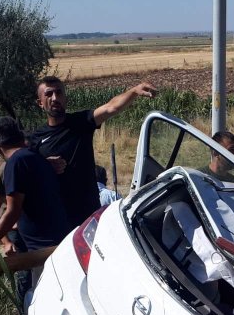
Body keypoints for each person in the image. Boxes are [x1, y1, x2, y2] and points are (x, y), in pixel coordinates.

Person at [0, 116, 70, 302]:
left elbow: (13, 211)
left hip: (41, 250)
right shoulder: (36, 158)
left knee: (44, 300)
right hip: (57, 241)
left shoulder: (16, 162)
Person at [30, 76, 157, 227]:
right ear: (40, 102)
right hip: (56, 218)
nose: (55, 98)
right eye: (49, 94)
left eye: (59, 92)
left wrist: (135, 91)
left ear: (66, 98)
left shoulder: (81, 122)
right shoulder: (35, 139)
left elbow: (111, 107)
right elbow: (25, 175)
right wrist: (45, 166)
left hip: (88, 215)